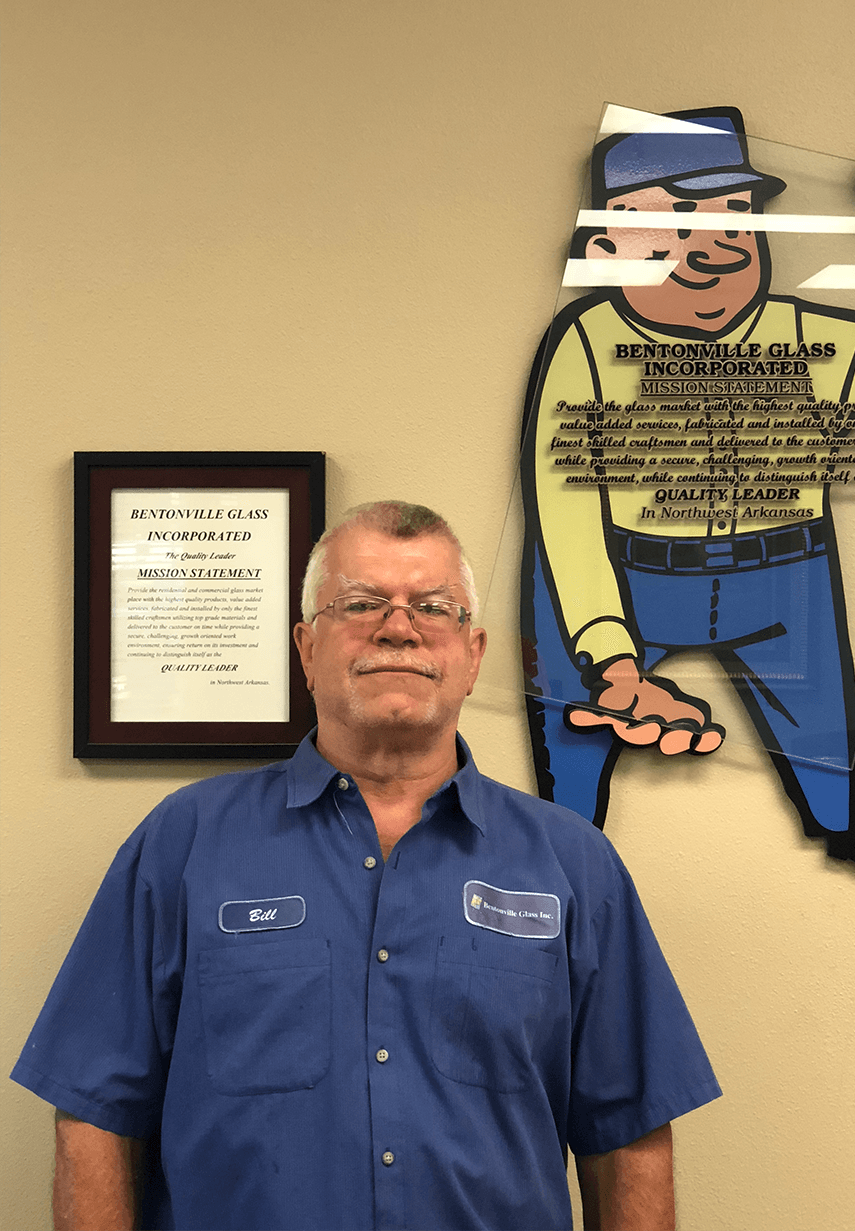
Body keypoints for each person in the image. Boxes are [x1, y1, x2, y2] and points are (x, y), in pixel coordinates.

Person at [13, 501, 721, 1231]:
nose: (398, 625)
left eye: (434, 607)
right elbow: (94, 1112)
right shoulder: (183, 844)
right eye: (360, 602)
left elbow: (628, 1134)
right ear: (305, 647)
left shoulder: (574, 864)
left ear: (473, 654)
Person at [521, 107, 855, 879]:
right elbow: (565, 510)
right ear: (607, 247)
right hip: (628, 570)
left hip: (781, 574)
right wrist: (611, 654)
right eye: (675, 223)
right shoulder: (584, 342)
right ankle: (555, 850)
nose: (713, 248)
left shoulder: (803, 334)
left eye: (735, 219)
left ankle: (841, 828)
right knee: (575, 711)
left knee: (821, 727)